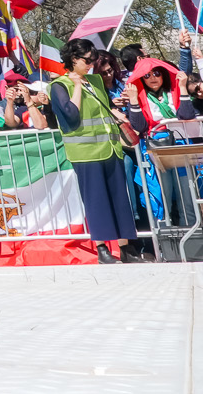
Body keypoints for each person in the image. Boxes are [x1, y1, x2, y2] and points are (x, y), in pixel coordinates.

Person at [48, 36, 137, 264]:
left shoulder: (95, 81)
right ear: (74, 59)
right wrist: (77, 85)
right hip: (86, 153)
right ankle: (102, 249)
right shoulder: (59, 85)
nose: (91, 64)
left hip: (110, 148)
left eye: (93, 60)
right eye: (87, 60)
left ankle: (126, 249)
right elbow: (71, 116)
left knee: (120, 198)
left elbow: (103, 109)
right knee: (96, 201)